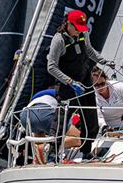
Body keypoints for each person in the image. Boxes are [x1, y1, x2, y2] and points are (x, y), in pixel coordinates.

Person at [46, 9, 114, 157]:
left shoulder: (83, 34)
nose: (79, 31)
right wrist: (70, 82)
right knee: (61, 121)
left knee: (91, 120)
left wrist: (105, 62)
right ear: (68, 24)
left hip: (85, 81)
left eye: (81, 28)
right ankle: (52, 153)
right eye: (76, 28)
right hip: (68, 85)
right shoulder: (59, 40)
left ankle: (86, 152)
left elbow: (89, 51)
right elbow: (51, 66)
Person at [19, 87, 58, 164]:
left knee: (39, 140)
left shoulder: (39, 95)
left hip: (25, 115)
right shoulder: (57, 92)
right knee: (75, 138)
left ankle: (41, 162)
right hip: (44, 113)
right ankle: (50, 148)